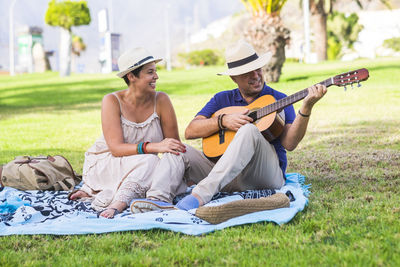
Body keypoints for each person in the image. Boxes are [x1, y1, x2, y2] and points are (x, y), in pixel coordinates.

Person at [131, 40, 327, 212]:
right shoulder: (221, 99)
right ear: (233, 77)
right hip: (224, 175)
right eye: (247, 73)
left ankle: (199, 196)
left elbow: (290, 143)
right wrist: (222, 121)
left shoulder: (279, 99)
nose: (256, 75)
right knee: (176, 148)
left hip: (263, 176)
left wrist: (306, 108)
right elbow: (191, 131)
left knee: (249, 130)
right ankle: (156, 201)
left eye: (257, 69)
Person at [69, 47, 186, 218]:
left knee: (162, 162)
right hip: (107, 160)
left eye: (155, 71)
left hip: (141, 163)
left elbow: (173, 145)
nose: (156, 77)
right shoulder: (112, 101)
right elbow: (116, 149)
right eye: (150, 72)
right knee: (150, 162)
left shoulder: (161, 100)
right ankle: (119, 203)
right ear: (131, 76)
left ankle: (145, 197)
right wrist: (153, 147)